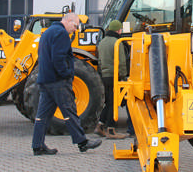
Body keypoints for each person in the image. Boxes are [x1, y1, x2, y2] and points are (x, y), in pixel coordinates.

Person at [31, 12, 102, 155]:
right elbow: (58, 58)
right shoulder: (61, 33)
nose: (75, 30)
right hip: (58, 82)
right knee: (70, 111)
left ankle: (37, 145)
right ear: (68, 21)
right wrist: (66, 74)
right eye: (75, 26)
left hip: (45, 80)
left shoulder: (47, 33)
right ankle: (82, 142)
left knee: (42, 115)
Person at [94, 20, 129, 139]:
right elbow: (122, 62)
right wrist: (123, 76)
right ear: (119, 30)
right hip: (115, 76)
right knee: (114, 103)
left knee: (108, 102)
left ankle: (100, 125)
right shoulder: (117, 42)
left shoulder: (102, 42)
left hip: (104, 76)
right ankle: (111, 130)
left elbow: (99, 61)